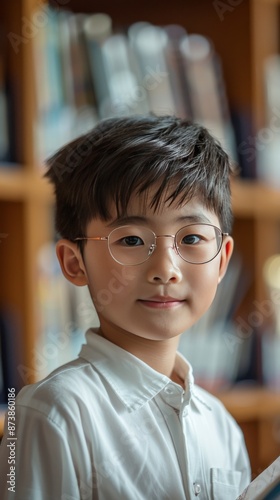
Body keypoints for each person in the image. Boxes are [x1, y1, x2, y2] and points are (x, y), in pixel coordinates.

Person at [0, 115, 251, 499]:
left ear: (221, 259)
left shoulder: (221, 426)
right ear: (74, 263)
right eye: (132, 240)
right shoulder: (54, 414)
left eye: (192, 237)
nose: (165, 269)